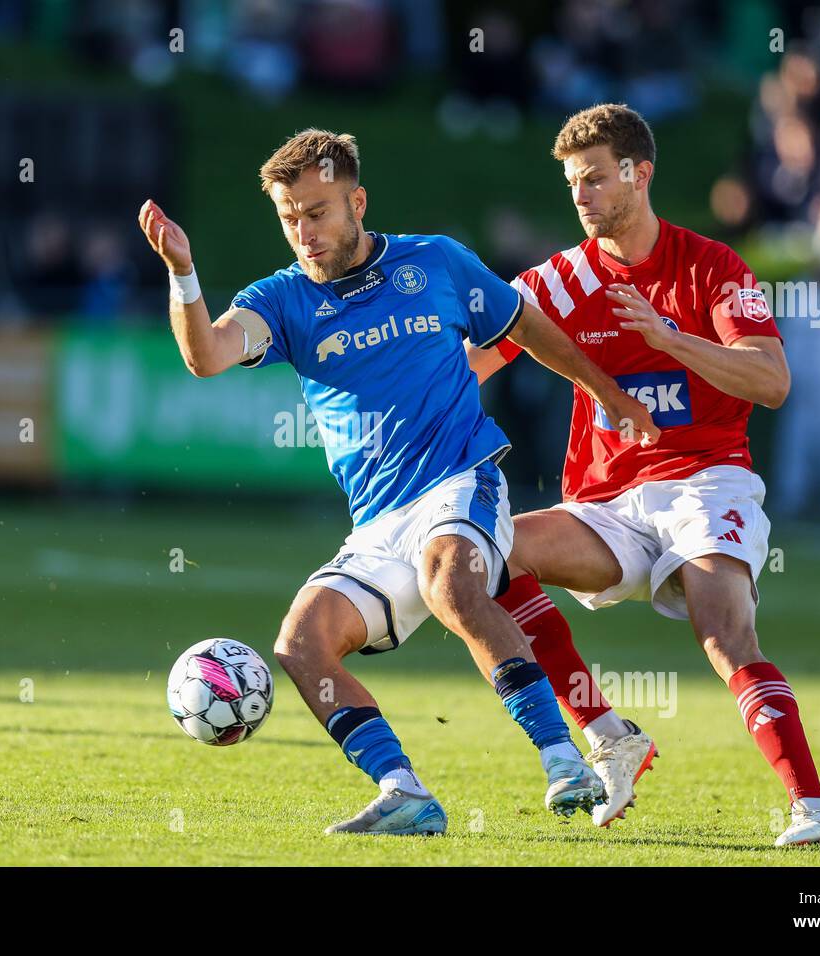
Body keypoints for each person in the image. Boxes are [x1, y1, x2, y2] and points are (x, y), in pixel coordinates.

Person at [138, 128, 658, 835]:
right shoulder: (282, 299)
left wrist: (607, 393)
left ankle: (563, 757)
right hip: (379, 523)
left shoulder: (435, 261)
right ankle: (404, 791)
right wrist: (182, 272)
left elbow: (530, 329)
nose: (304, 232)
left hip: (460, 479)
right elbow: (206, 356)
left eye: (317, 212)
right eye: (290, 218)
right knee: (301, 643)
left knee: (452, 583)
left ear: (357, 201)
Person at [468, 104, 820, 847]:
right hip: (606, 501)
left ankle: (816, 811)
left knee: (723, 634)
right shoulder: (556, 281)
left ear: (639, 175)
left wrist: (669, 337)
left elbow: (771, 381)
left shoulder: (712, 267)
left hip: (706, 482)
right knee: (488, 552)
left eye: (594, 179)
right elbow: (474, 365)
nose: (580, 196)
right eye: (571, 184)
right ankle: (609, 736)